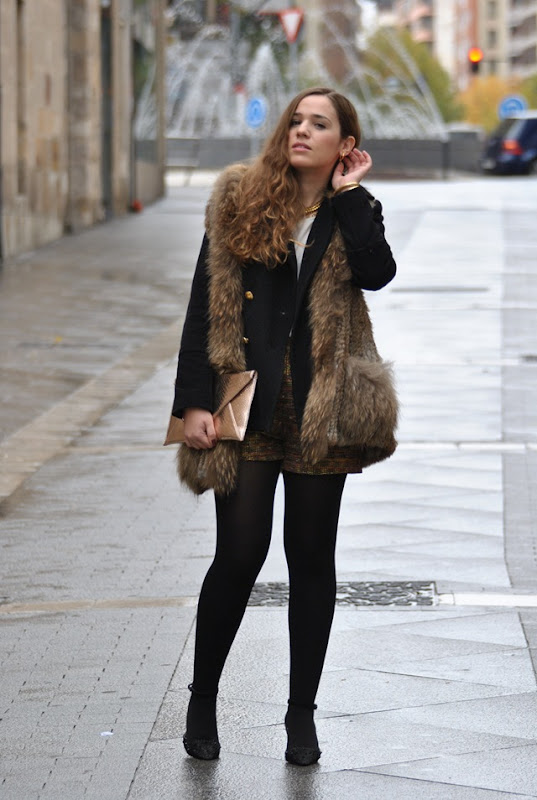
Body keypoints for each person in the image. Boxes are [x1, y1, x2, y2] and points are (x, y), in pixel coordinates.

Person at [171, 87, 398, 766]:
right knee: (239, 555)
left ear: (344, 144)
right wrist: (192, 403)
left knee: (311, 560)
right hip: (245, 394)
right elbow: (204, 304)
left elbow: (378, 273)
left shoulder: (352, 211)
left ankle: (301, 714)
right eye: (296, 120)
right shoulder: (240, 197)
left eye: (319, 124)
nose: (301, 130)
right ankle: (203, 697)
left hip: (321, 404)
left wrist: (349, 194)